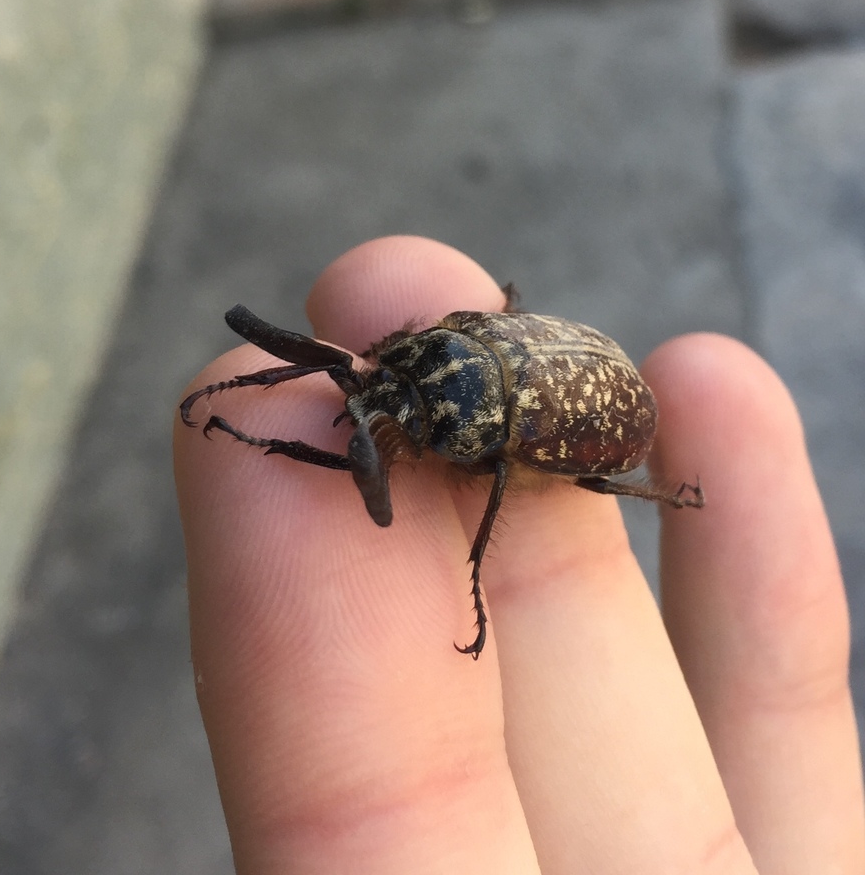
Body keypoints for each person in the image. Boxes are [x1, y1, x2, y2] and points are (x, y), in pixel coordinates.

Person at [174, 236, 864, 873]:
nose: (373, 404)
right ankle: (259, 418)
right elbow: (370, 362)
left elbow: (469, 457)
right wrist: (272, 392)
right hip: (513, 351)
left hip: (591, 404)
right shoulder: (438, 346)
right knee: (350, 404)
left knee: (586, 482)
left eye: (395, 415)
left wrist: (471, 573)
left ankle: (659, 499)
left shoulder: (500, 434)